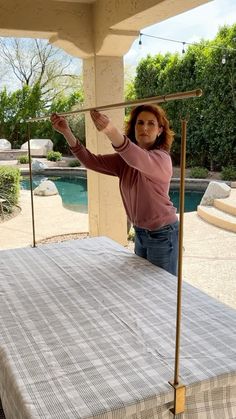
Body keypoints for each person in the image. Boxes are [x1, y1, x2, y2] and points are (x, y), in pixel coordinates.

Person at [51, 104, 179, 275]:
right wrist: (66, 132)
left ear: (160, 130)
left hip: (163, 234)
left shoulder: (161, 159)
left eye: (151, 124)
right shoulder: (124, 161)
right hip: (141, 232)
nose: (145, 128)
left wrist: (109, 129)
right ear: (134, 128)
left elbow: (137, 158)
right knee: (145, 288)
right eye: (140, 123)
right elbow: (90, 161)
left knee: (164, 289)